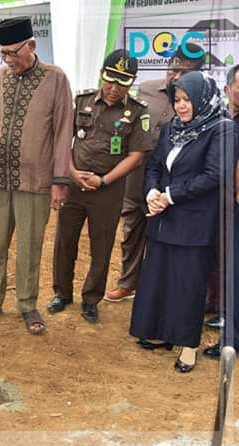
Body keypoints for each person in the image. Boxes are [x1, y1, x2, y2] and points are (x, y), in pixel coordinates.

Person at [0, 16, 73, 334]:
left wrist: (59, 180)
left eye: (13, 53)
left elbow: (62, 133)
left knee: (30, 244)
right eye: (4, 54)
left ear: (32, 45)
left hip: (36, 180)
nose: (8, 60)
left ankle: (28, 305)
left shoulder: (56, 79)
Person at [129, 72, 233, 373]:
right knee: (161, 278)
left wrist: (169, 196)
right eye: (177, 100)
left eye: (187, 100)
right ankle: (164, 333)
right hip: (163, 217)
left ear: (203, 99)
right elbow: (155, 166)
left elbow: (215, 174)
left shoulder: (221, 129)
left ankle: (188, 345)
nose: (182, 106)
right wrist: (151, 192)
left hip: (194, 220)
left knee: (187, 284)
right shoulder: (172, 128)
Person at [49, 50, 152, 323]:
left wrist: (104, 179)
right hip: (74, 185)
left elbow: (136, 155)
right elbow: (63, 140)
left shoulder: (138, 112)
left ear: (131, 83)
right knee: (64, 242)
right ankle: (62, 293)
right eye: (110, 80)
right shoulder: (82, 101)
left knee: (102, 245)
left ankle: (91, 299)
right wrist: (70, 171)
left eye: (122, 83)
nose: (114, 88)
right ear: (101, 75)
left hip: (108, 189)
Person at [106, 44, 205, 305]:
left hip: (172, 179)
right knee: (131, 228)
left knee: (165, 234)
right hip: (136, 173)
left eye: (184, 72)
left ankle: (162, 289)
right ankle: (128, 283)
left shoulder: (198, 102)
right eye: (174, 68)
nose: (175, 76)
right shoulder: (147, 88)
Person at [204, 64, 239, 359]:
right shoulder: (216, 120)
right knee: (224, 267)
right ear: (227, 88)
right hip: (216, 205)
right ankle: (229, 333)